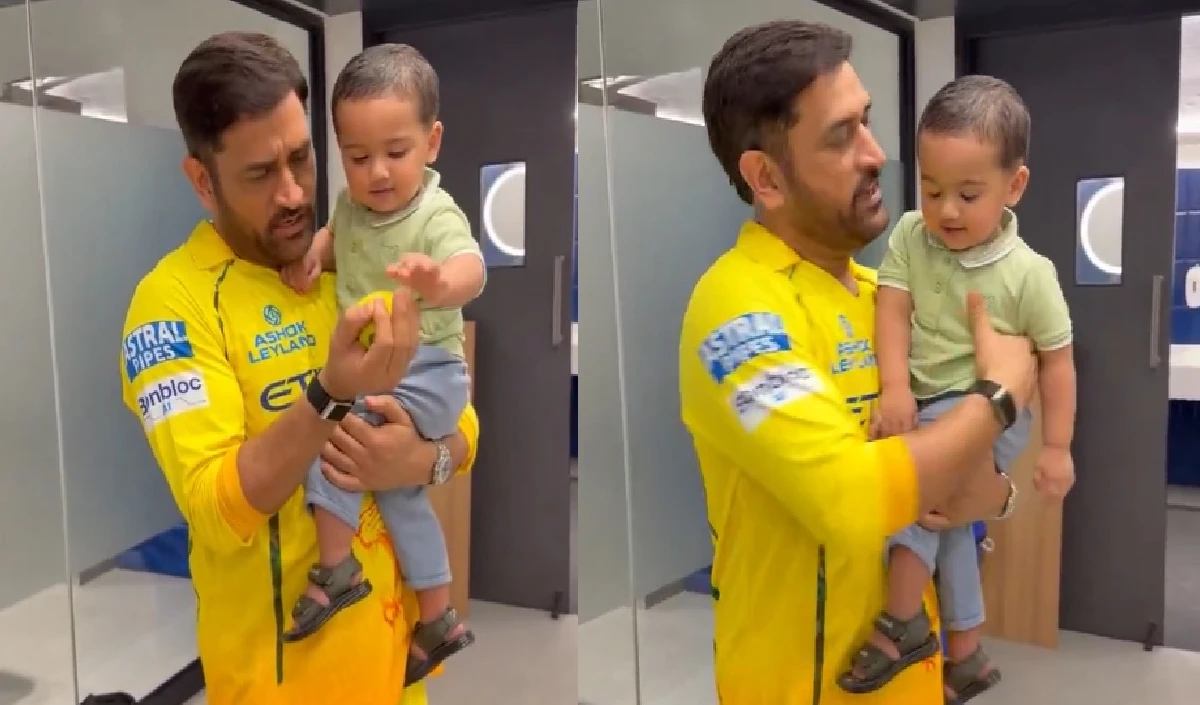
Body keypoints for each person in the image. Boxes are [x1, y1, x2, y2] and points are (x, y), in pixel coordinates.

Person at [678, 21, 1038, 705]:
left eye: (867, 122)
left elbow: (970, 479)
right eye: (841, 136)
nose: (876, 154)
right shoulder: (736, 311)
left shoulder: (888, 300)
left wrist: (993, 495)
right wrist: (998, 396)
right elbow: (850, 500)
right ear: (766, 176)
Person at [118, 32, 478, 705]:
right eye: (260, 173)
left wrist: (419, 461)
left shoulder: (343, 265)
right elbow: (215, 510)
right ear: (203, 180)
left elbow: (463, 427)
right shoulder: (171, 306)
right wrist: (331, 394)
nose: (292, 194)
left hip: (396, 677)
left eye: (302, 159)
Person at [838, 75, 1077, 703]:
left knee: (920, 493)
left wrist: (1057, 448)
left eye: (968, 195)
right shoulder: (911, 236)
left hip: (988, 407)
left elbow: (1057, 364)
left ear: (1014, 185)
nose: (946, 211)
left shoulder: (1030, 274)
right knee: (948, 520)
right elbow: (892, 308)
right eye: (931, 188)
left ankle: (902, 622)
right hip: (923, 395)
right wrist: (894, 387)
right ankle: (965, 651)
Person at [277, 43, 483, 683]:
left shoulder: (434, 213)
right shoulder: (351, 208)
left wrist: (438, 282)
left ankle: (337, 569)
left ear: (432, 142)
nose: (378, 173)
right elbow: (337, 239)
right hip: (387, 366)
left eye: (396, 152)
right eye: (358, 157)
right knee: (400, 492)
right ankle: (438, 615)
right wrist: (314, 256)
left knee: (337, 435)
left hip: (429, 369)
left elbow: (471, 267)